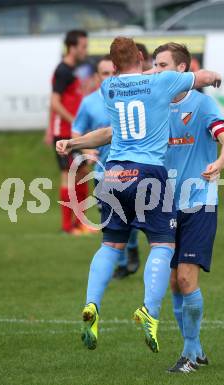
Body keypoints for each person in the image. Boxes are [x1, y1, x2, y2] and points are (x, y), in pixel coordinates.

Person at [56, 36, 222, 354]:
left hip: (114, 174)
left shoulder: (109, 88)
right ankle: (149, 309)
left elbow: (111, 130)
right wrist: (212, 75)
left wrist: (73, 142)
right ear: (142, 57)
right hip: (148, 173)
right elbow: (201, 78)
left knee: (111, 244)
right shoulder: (163, 83)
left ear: (113, 65)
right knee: (162, 243)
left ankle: (92, 303)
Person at [153, 43, 224, 373]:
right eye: (154, 65)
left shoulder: (201, 104)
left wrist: (220, 162)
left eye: (162, 65)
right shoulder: (155, 106)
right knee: (174, 283)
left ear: (182, 70)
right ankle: (197, 348)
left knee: (187, 279)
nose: (156, 71)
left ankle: (188, 355)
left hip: (200, 200)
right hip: (165, 204)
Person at [72, 55, 139, 279]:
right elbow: (77, 130)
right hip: (103, 172)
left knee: (134, 218)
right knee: (110, 220)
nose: (110, 77)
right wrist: (85, 150)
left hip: (132, 169)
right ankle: (120, 263)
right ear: (97, 76)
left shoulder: (132, 99)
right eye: (105, 73)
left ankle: (131, 248)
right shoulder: (89, 102)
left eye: (113, 72)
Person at [46, 29, 90, 235]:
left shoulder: (73, 71)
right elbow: (54, 103)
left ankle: (79, 222)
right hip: (64, 133)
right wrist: (75, 122)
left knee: (82, 172)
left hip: (73, 132)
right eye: (83, 46)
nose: (86, 50)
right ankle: (67, 226)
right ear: (72, 47)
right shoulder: (62, 70)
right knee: (68, 175)